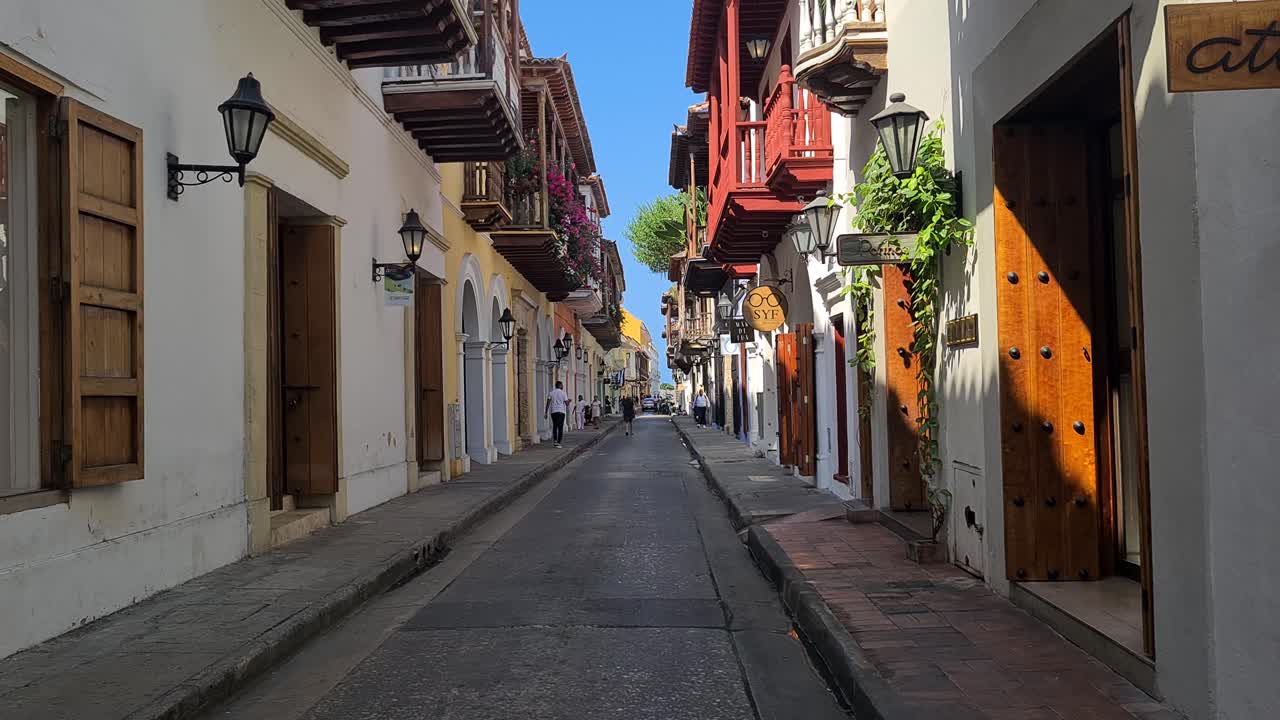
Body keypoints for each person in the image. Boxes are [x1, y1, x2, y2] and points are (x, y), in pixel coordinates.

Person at [544, 381, 569, 448]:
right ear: (560, 385)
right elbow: (567, 404)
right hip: (561, 412)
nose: (562, 386)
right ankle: (558, 442)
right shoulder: (563, 393)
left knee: (555, 426)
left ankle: (555, 441)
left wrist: (546, 412)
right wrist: (569, 401)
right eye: (562, 385)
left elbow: (548, 403)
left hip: (553, 412)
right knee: (560, 427)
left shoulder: (551, 393)